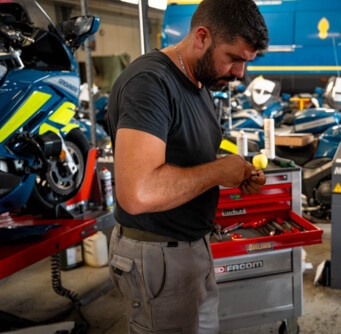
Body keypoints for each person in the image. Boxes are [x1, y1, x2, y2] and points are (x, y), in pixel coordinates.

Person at [105, 0, 269, 332]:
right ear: (201, 37)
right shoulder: (149, 83)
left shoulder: (201, 84)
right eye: (234, 58)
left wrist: (235, 173)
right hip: (157, 257)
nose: (240, 73)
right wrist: (219, 171)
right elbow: (137, 193)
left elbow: (189, 161)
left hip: (194, 247)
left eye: (246, 62)